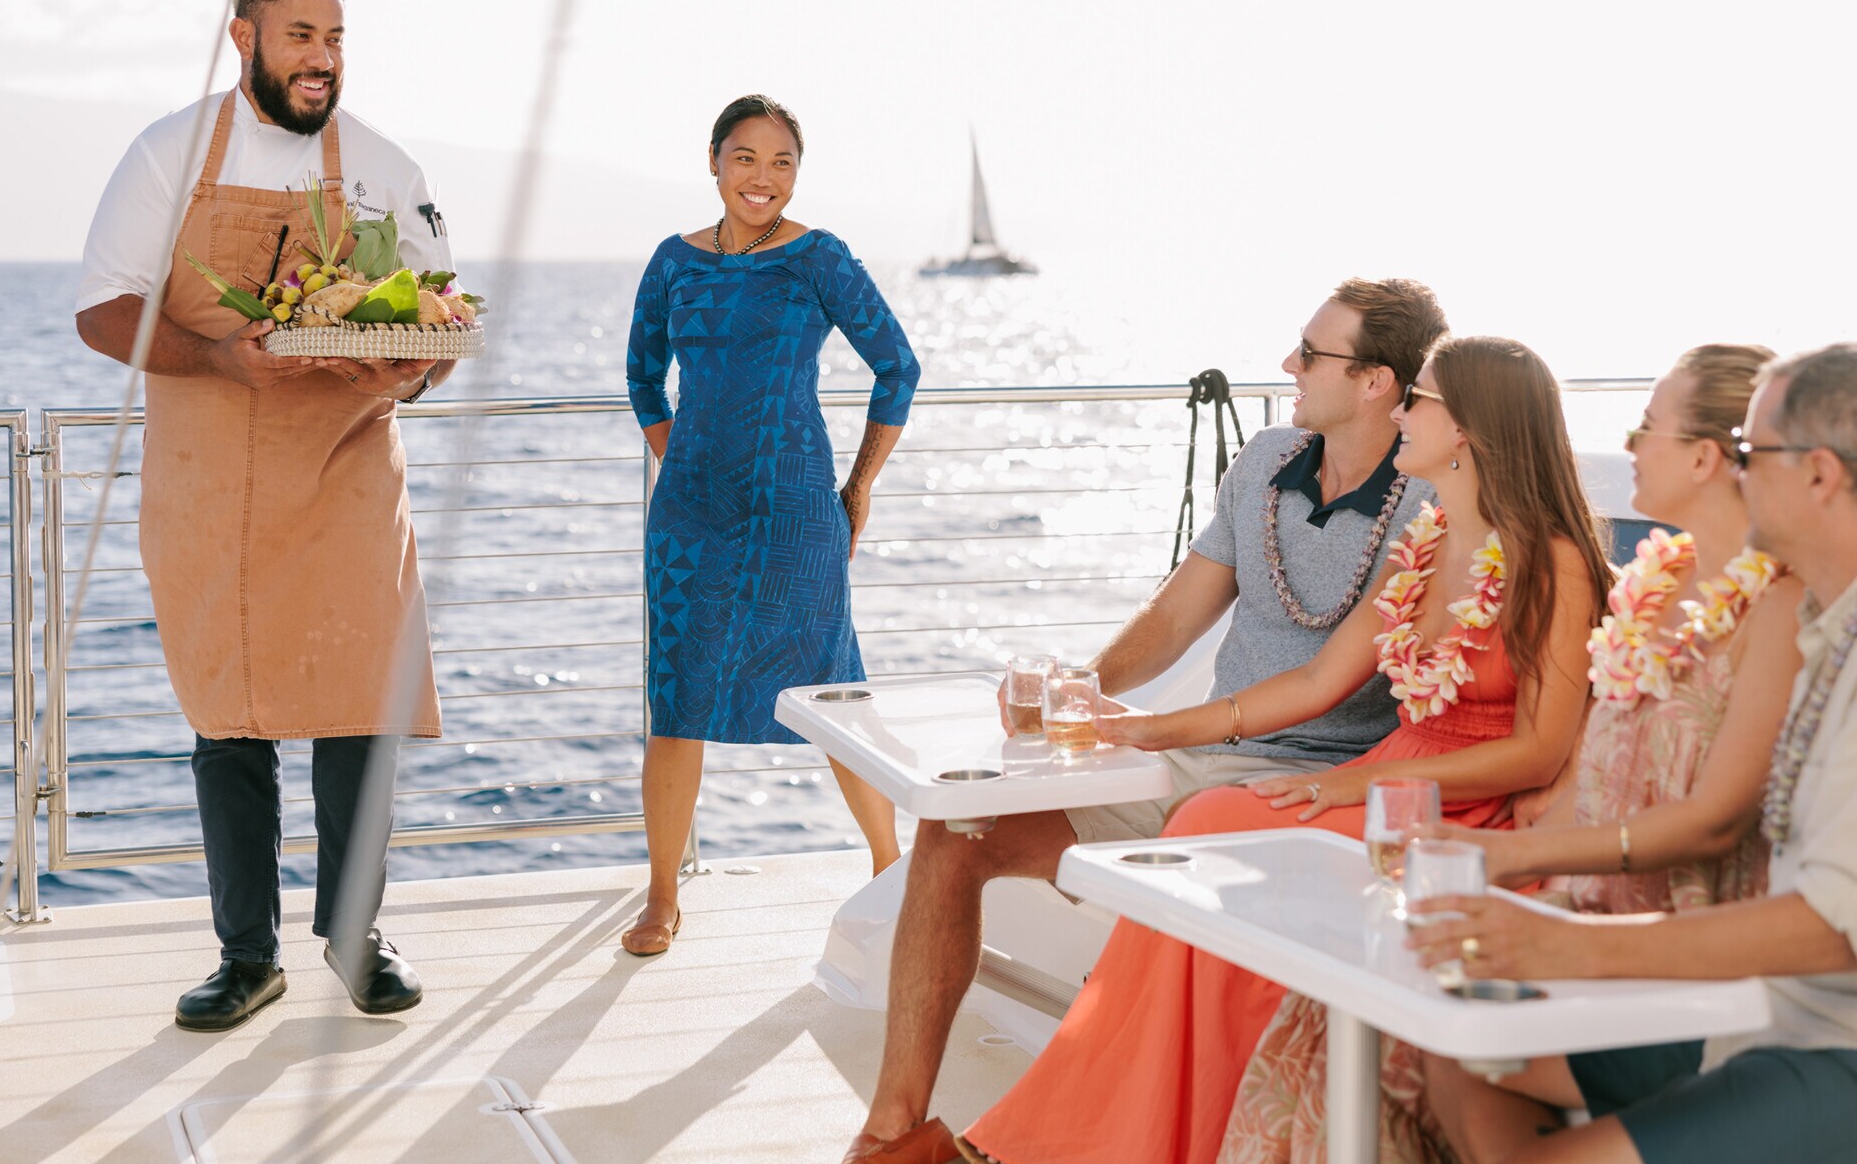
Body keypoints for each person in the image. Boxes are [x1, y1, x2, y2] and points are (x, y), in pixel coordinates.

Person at [957, 335, 1612, 1164]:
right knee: (1209, 817)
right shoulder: (1427, 544)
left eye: (1422, 400)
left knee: (1217, 833)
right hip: (1382, 783)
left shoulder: (1552, 562)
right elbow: (1313, 683)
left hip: (1457, 803)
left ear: (1472, 429)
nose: (1403, 414)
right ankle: (1095, 1131)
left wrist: (1354, 791)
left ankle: (1116, 1137)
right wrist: (1154, 727)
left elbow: (1541, 752)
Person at [845, 279, 1449, 1163]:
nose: (1288, 365)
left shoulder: (1429, 509)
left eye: (1311, 355)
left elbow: (1327, 682)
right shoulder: (1267, 459)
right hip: (1196, 759)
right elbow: (1176, 616)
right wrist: (1080, 688)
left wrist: (1153, 730)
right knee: (953, 835)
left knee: (1148, 875)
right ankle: (894, 1135)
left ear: (1376, 384)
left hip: (1296, 789)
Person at [1218, 343, 1804, 1163]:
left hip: (1682, 937)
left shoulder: (1778, 609)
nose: (1627, 446)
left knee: (1402, 1016)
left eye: (1647, 429)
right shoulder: (1657, 583)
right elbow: (1599, 761)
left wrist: (1506, 854)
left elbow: (1708, 825)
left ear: (1707, 458)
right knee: (1342, 1001)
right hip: (1583, 896)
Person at [74, 0, 446, 1031]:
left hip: (345, 471)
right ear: (245, 36)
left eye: (334, 38)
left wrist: (411, 364)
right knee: (230, 721)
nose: (321, 58)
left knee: (353, 713)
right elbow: (104, 312)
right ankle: (246, 955)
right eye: (300, 36)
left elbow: (438, 318)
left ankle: (355, 935)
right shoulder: (168, 154)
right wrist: (221, 358)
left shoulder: (385, 166)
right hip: (210, 476)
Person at [1412, 343, 1857, 1164]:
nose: (1735, 470)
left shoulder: (1803, 625)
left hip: (1815, 1037)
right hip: (1763, 1005)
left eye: (1751, 455)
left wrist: (1568, 943)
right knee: (1443, 1046)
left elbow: (1834, 929)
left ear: (1821, 474)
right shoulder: (1833, 629)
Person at [625, 94, 921, 957]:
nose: (764, 177)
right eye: (746, 158)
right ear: (713, 162)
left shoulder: (820, 258)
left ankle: (887, 864)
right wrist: (682, 454)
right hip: (690, 518)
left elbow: (897, 366)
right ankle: (660, 895)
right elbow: (643, 375)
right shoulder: (673, 263)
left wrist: (859, 484)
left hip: (795, 510)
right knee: (675, 700)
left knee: (832, 691)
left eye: (782, 162)